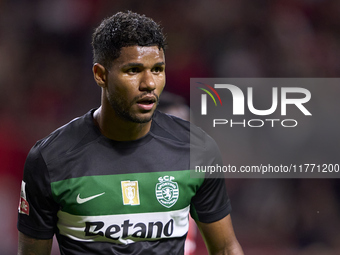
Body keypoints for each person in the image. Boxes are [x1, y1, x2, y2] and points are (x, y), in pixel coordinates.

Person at [17, 11, 243, 255]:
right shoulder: (51, 159)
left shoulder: (196, 149)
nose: (149, 83)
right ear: (100, 75)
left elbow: (225, 247)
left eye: (157, 69)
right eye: (133, 70)